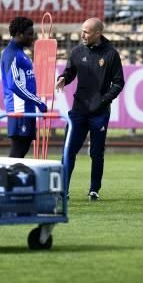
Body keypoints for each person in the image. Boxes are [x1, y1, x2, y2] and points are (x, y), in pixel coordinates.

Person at [56, 17, 124, 200]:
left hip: (99, 113)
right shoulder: (77, 51)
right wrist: (63, 78)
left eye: (86, 31)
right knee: (68, 149)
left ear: (98, 33)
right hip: (78, 110)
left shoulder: (111, 54)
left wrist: (103, 101)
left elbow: (118, 83)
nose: (82, 34)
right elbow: (70, 72)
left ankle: (94, 190)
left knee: (96, 152)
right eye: (82, 30)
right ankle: (63, 190)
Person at [0, 16, 47, 158]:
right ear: (19, 34)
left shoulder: (20, 53)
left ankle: (11, 179)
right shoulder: (12, 54)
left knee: (22, 148)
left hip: (26, 107)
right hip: (19, 108)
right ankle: (6, 179)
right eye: (29, 34)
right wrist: (38, 101)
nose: (32, 37)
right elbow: (14, 84)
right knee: (18, 150)